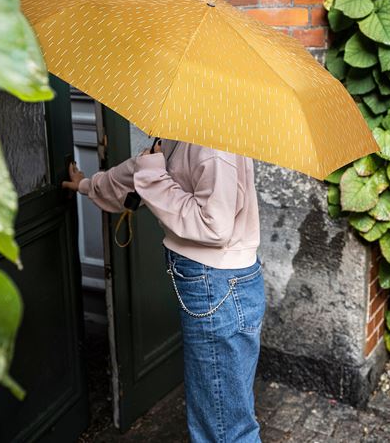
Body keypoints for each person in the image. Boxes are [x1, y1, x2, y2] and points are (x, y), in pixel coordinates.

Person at [62, 138, 265, 443]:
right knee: (222, 412)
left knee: (224, 428)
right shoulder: (178, 134)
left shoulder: (212, 146)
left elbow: (214, 226)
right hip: (216, 283)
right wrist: (89, 185)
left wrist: (154, 178)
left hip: (219, 284)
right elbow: (139, 171)